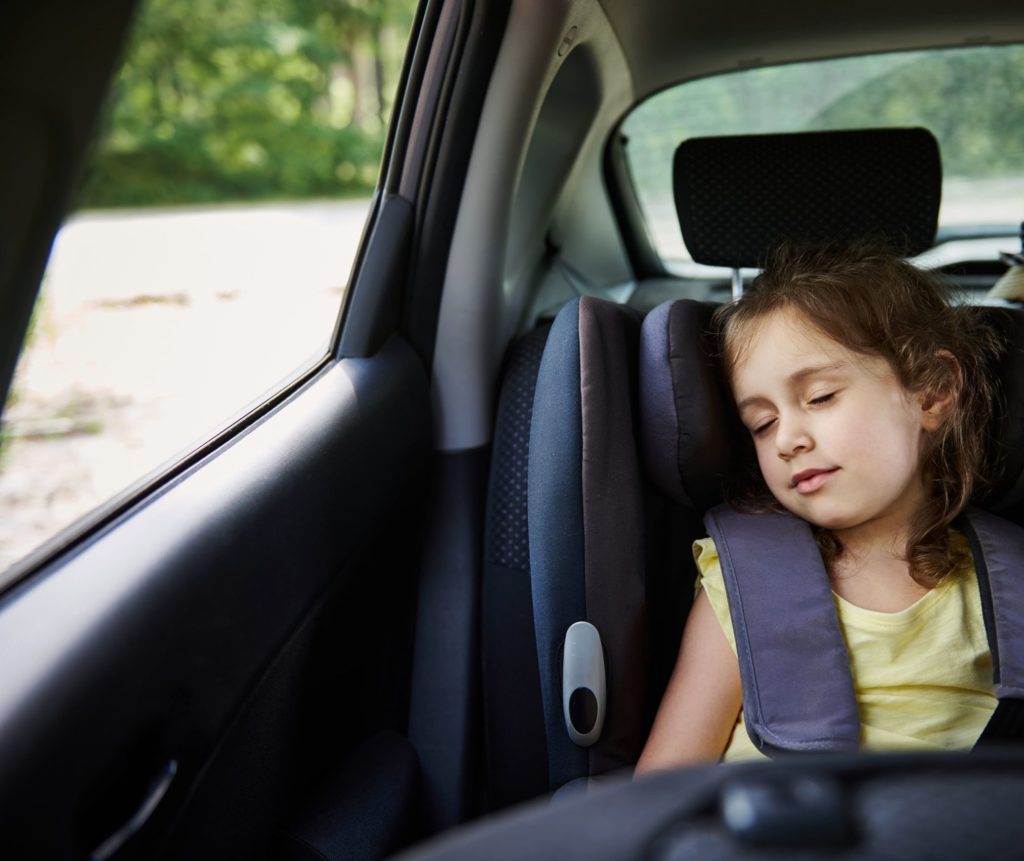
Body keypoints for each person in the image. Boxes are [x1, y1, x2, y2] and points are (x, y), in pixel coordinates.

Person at [635, 243, 1005, 771]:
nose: (786, 440)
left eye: (821, 397)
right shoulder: (747, 582)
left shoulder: (1006, 586)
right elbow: (660, 785)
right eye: (761, 424)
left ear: (931, 393)